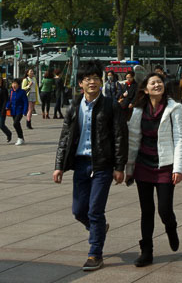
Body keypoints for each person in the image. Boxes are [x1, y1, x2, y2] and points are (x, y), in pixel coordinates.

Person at [53, 59, 127, 272]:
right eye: (88, 79)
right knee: (78, 210)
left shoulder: (111, 105)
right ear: (80, 84)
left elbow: (119, 136)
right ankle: (99, 229)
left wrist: (119, 166)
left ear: (101, 82)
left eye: (96, 78)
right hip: (80, 164)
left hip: (103, 165)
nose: (92, 82)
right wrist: (58, 166)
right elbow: (65, 136)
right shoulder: (74, 106)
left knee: (95, 210)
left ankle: (95, 253)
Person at [126, 72, 182, 267]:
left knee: (164, 209)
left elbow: (179, 139)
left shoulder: (174, 108)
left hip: (165, 166)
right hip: (143, 165)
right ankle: (147, 251)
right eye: (153, 83)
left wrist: (178, 168)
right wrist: (129, 167)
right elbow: (133, 140)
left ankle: (171, 226)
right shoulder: (138, 110)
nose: (157, 85)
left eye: (159, 82)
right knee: (147, 210)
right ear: (145, 88)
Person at [8, 78, 29, 145]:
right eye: (13, 83)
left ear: (18, 85)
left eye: (15, 83)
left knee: (15, 123)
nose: (14, 85)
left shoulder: (22, 92)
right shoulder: (11, 91)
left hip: (20, 110)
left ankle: (20, 138)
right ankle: (21, 138)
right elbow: (9, 100)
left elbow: (26, 102)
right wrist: (7, 106)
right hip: (13, 110)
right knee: (17, 124)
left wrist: (25, 111)